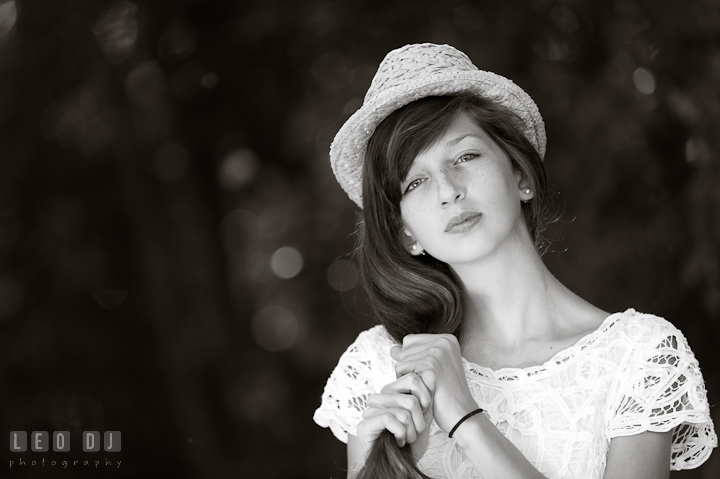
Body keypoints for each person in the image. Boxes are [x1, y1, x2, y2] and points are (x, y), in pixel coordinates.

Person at [313, 43, 716, 479]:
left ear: (520, 176)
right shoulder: (379, 366)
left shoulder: (638, 357)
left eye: (465, 156)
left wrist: (465, 419)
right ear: (406, 232)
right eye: (415, 182)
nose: (448, 190)